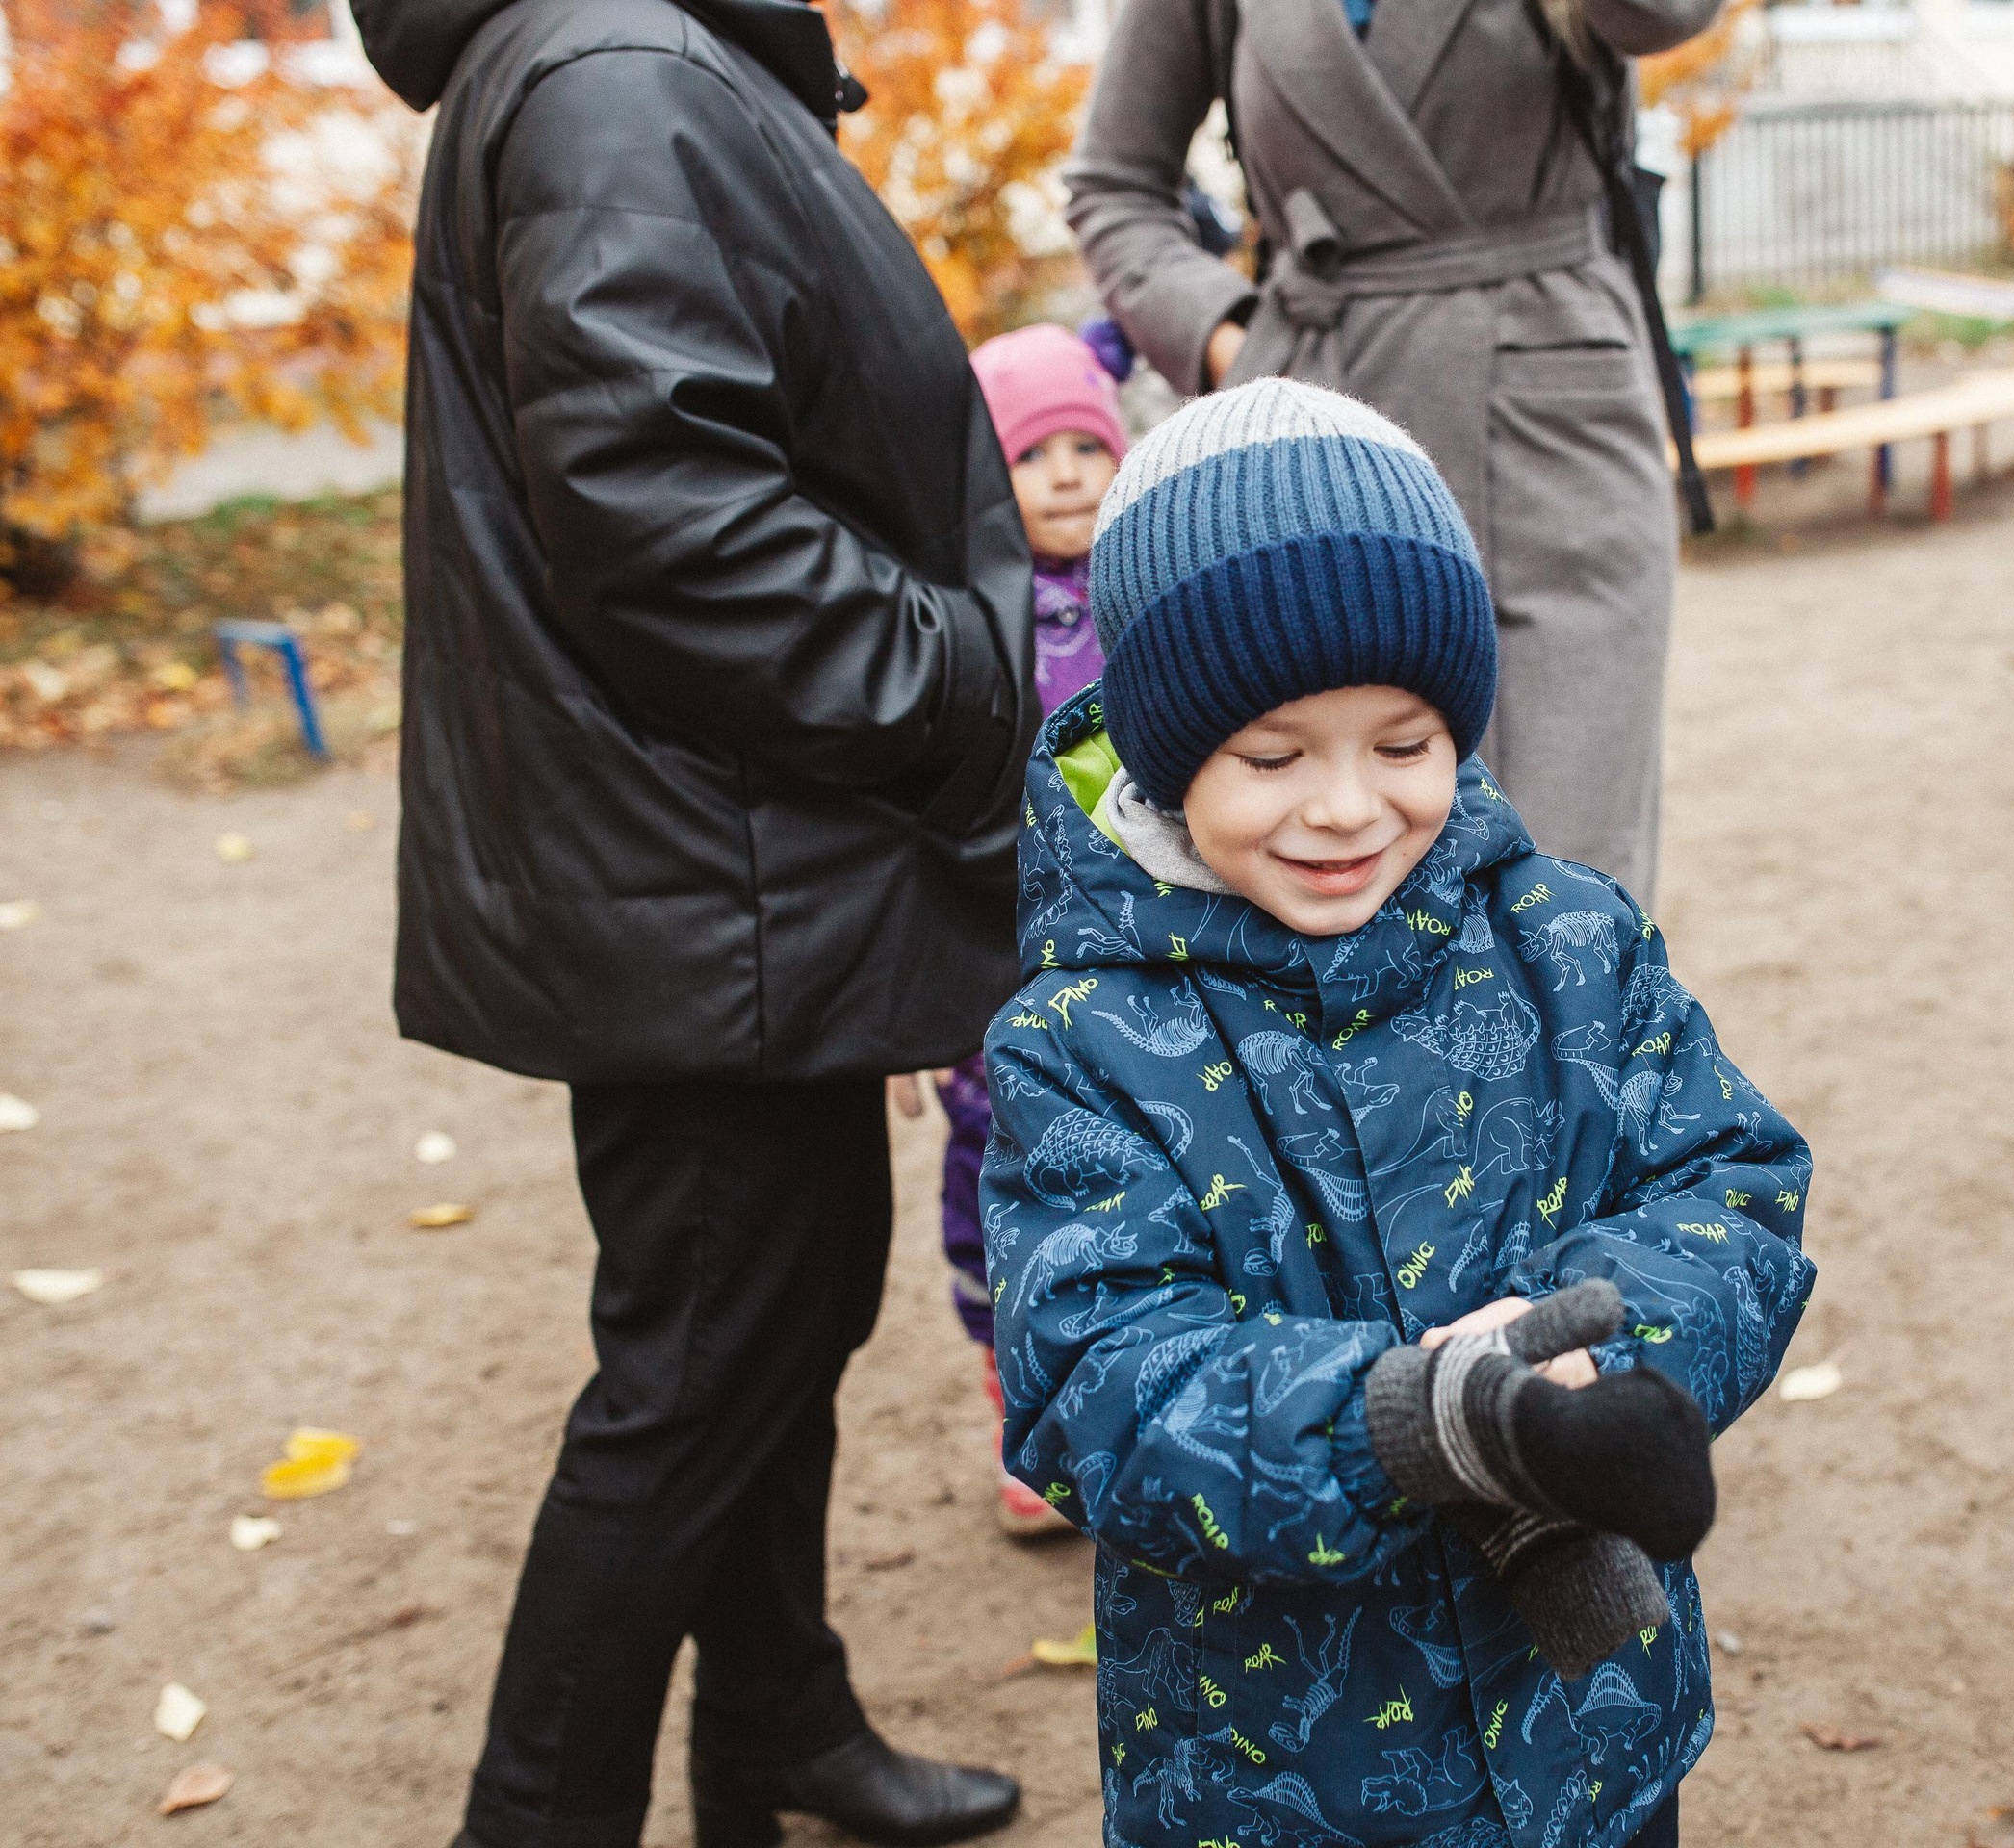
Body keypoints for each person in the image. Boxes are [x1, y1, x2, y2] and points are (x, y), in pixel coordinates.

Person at [351, 0, 1039, 1841]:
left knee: (767, 1324)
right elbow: (665, 515)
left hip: (721, 858)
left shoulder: (634, 54)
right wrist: (974, 685)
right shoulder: (616, 69)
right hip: (714, 865)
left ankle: (777, 1727)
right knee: (706, 1363)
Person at [982, 380, 1817, 1848]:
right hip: (1282, 1780)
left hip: (1590, 1740)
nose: (1348, 806)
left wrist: (1587, 1389)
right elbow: (1096, 1382)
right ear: (1176, 751)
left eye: (1407, 739)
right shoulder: (1083, 1036)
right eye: (1272, 755)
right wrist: (1424, 1425)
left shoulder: (1569, 941)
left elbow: (1728, 1177)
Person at [1064, 0, 1724, 907]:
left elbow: (1666, 16)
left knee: (1570, 894)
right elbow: (1113, 182)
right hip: (1324, 454)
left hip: (1554, 434)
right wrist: (1238, 343)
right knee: (1328, 859)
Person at [896, 321, 1126, 1540]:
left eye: (1092, 443)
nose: (1073, 472)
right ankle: (1023, 1416)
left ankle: (1144, 1410)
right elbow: (917, 817)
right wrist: (912, 994)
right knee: (999, 1198)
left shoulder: (1159, 592)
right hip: (1001, 979)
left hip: (1143, 970)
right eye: (1040, 453)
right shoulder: (962, 626)